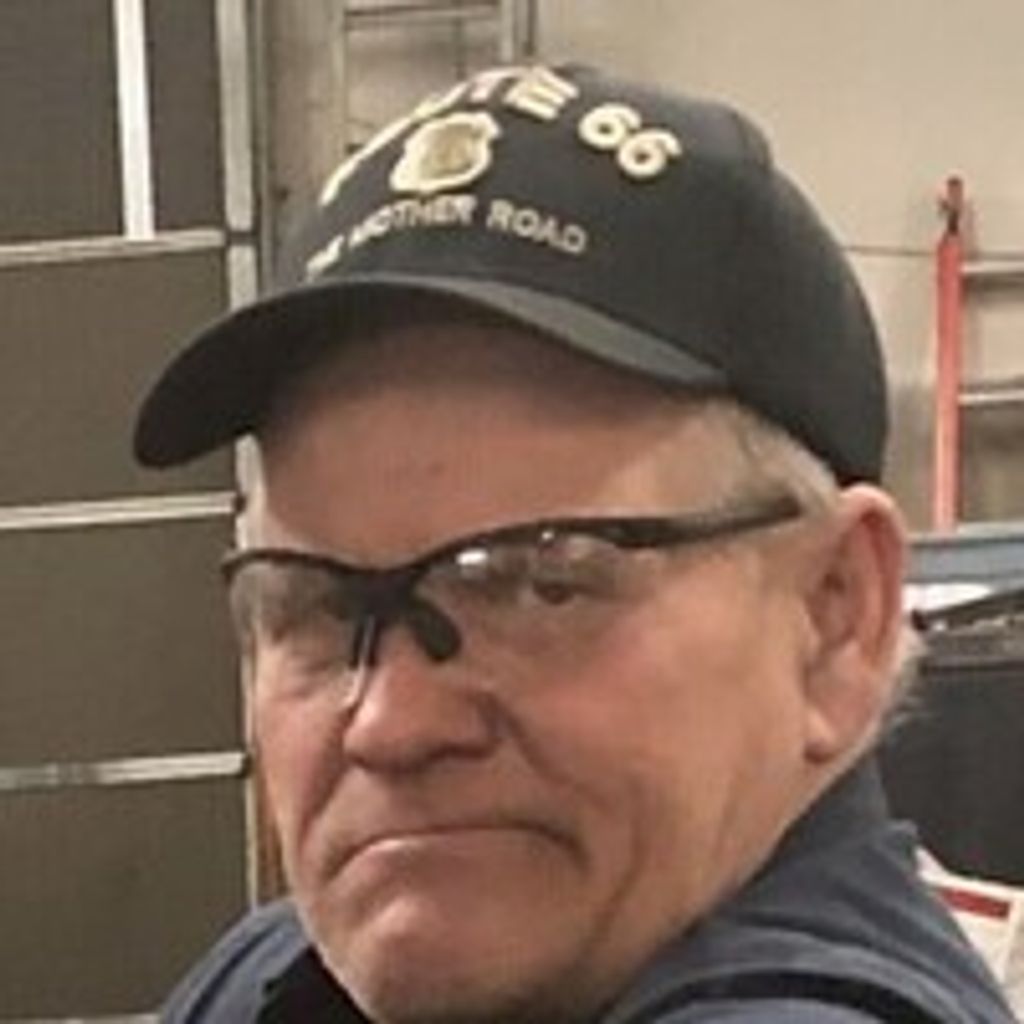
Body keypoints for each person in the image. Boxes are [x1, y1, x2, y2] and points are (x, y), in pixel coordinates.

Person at [134, 64, 1015, 1023]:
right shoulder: (273, 973)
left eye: (537, 581)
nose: (389, 724)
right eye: (313, 605)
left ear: (835, 616)